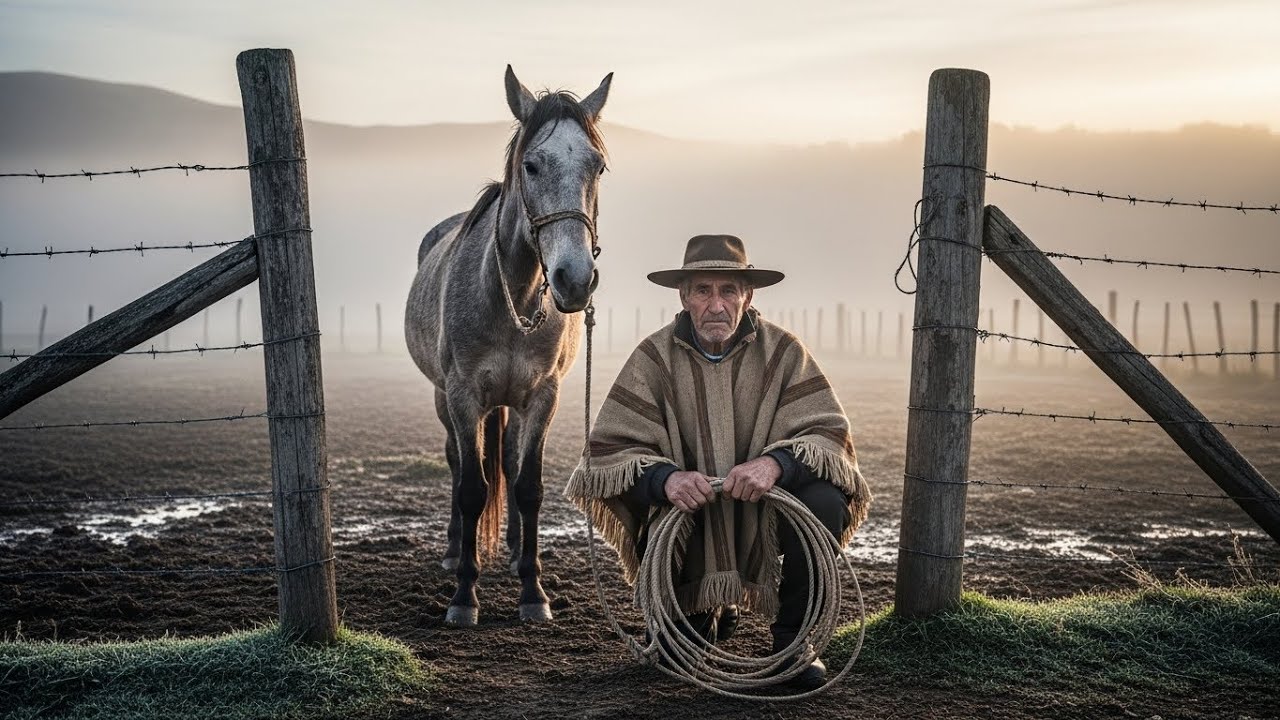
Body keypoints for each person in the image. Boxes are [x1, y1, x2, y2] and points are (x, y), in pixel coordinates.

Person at [566, 234, 870, 688]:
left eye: (728, 290)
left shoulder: (784, 352)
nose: (716, 304)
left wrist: (775, 465)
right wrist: (666, 480)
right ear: (683, 296)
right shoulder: (652, 358)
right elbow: (608, 454)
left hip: (766, 509)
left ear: (748, 296)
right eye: (703, 291)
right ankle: (701, 611)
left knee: (824, 502)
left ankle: (794, 641)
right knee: (675, 660)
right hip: (688, 515)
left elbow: (828, 434)